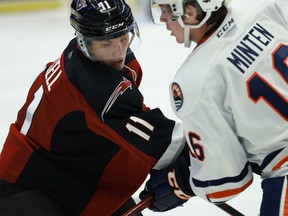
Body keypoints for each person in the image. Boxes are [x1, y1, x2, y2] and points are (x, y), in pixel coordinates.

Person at [0, 0, 186, 215]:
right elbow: (166, 143)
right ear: (83, 40)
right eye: (106, 44)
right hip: (30, 191)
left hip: (75, 179)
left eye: (124, 38)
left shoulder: (91, 61)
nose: (119, 52)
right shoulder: (94, 87)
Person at [140, 0, 288, 215]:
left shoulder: (195, 79)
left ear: (190, 13)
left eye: (165, 10)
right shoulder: (262, 7)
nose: (162, 19)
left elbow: (225, 184)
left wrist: (184, 182)